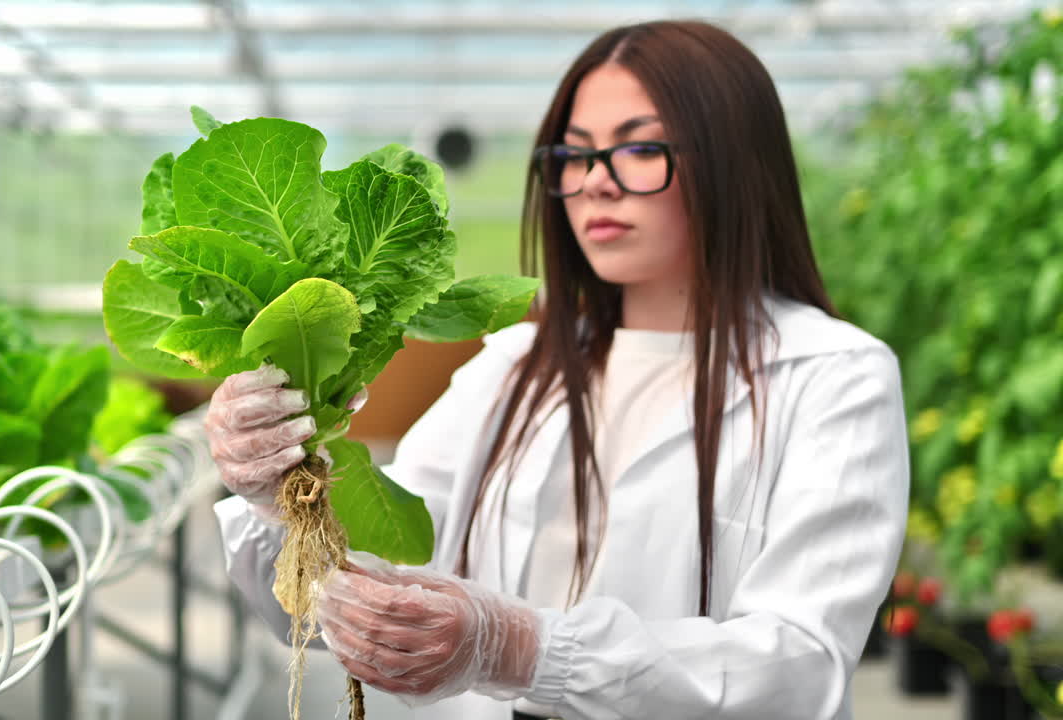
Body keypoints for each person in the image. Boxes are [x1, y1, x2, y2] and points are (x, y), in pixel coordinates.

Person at [209, 19, 909, 720]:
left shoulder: (833, 378)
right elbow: (368, 590)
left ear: (733, 160)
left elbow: (799, 666)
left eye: (639, 147)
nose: (594, 185)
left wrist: (526, 651)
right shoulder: (515, 368)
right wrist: (281, 504)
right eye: (573, 157)